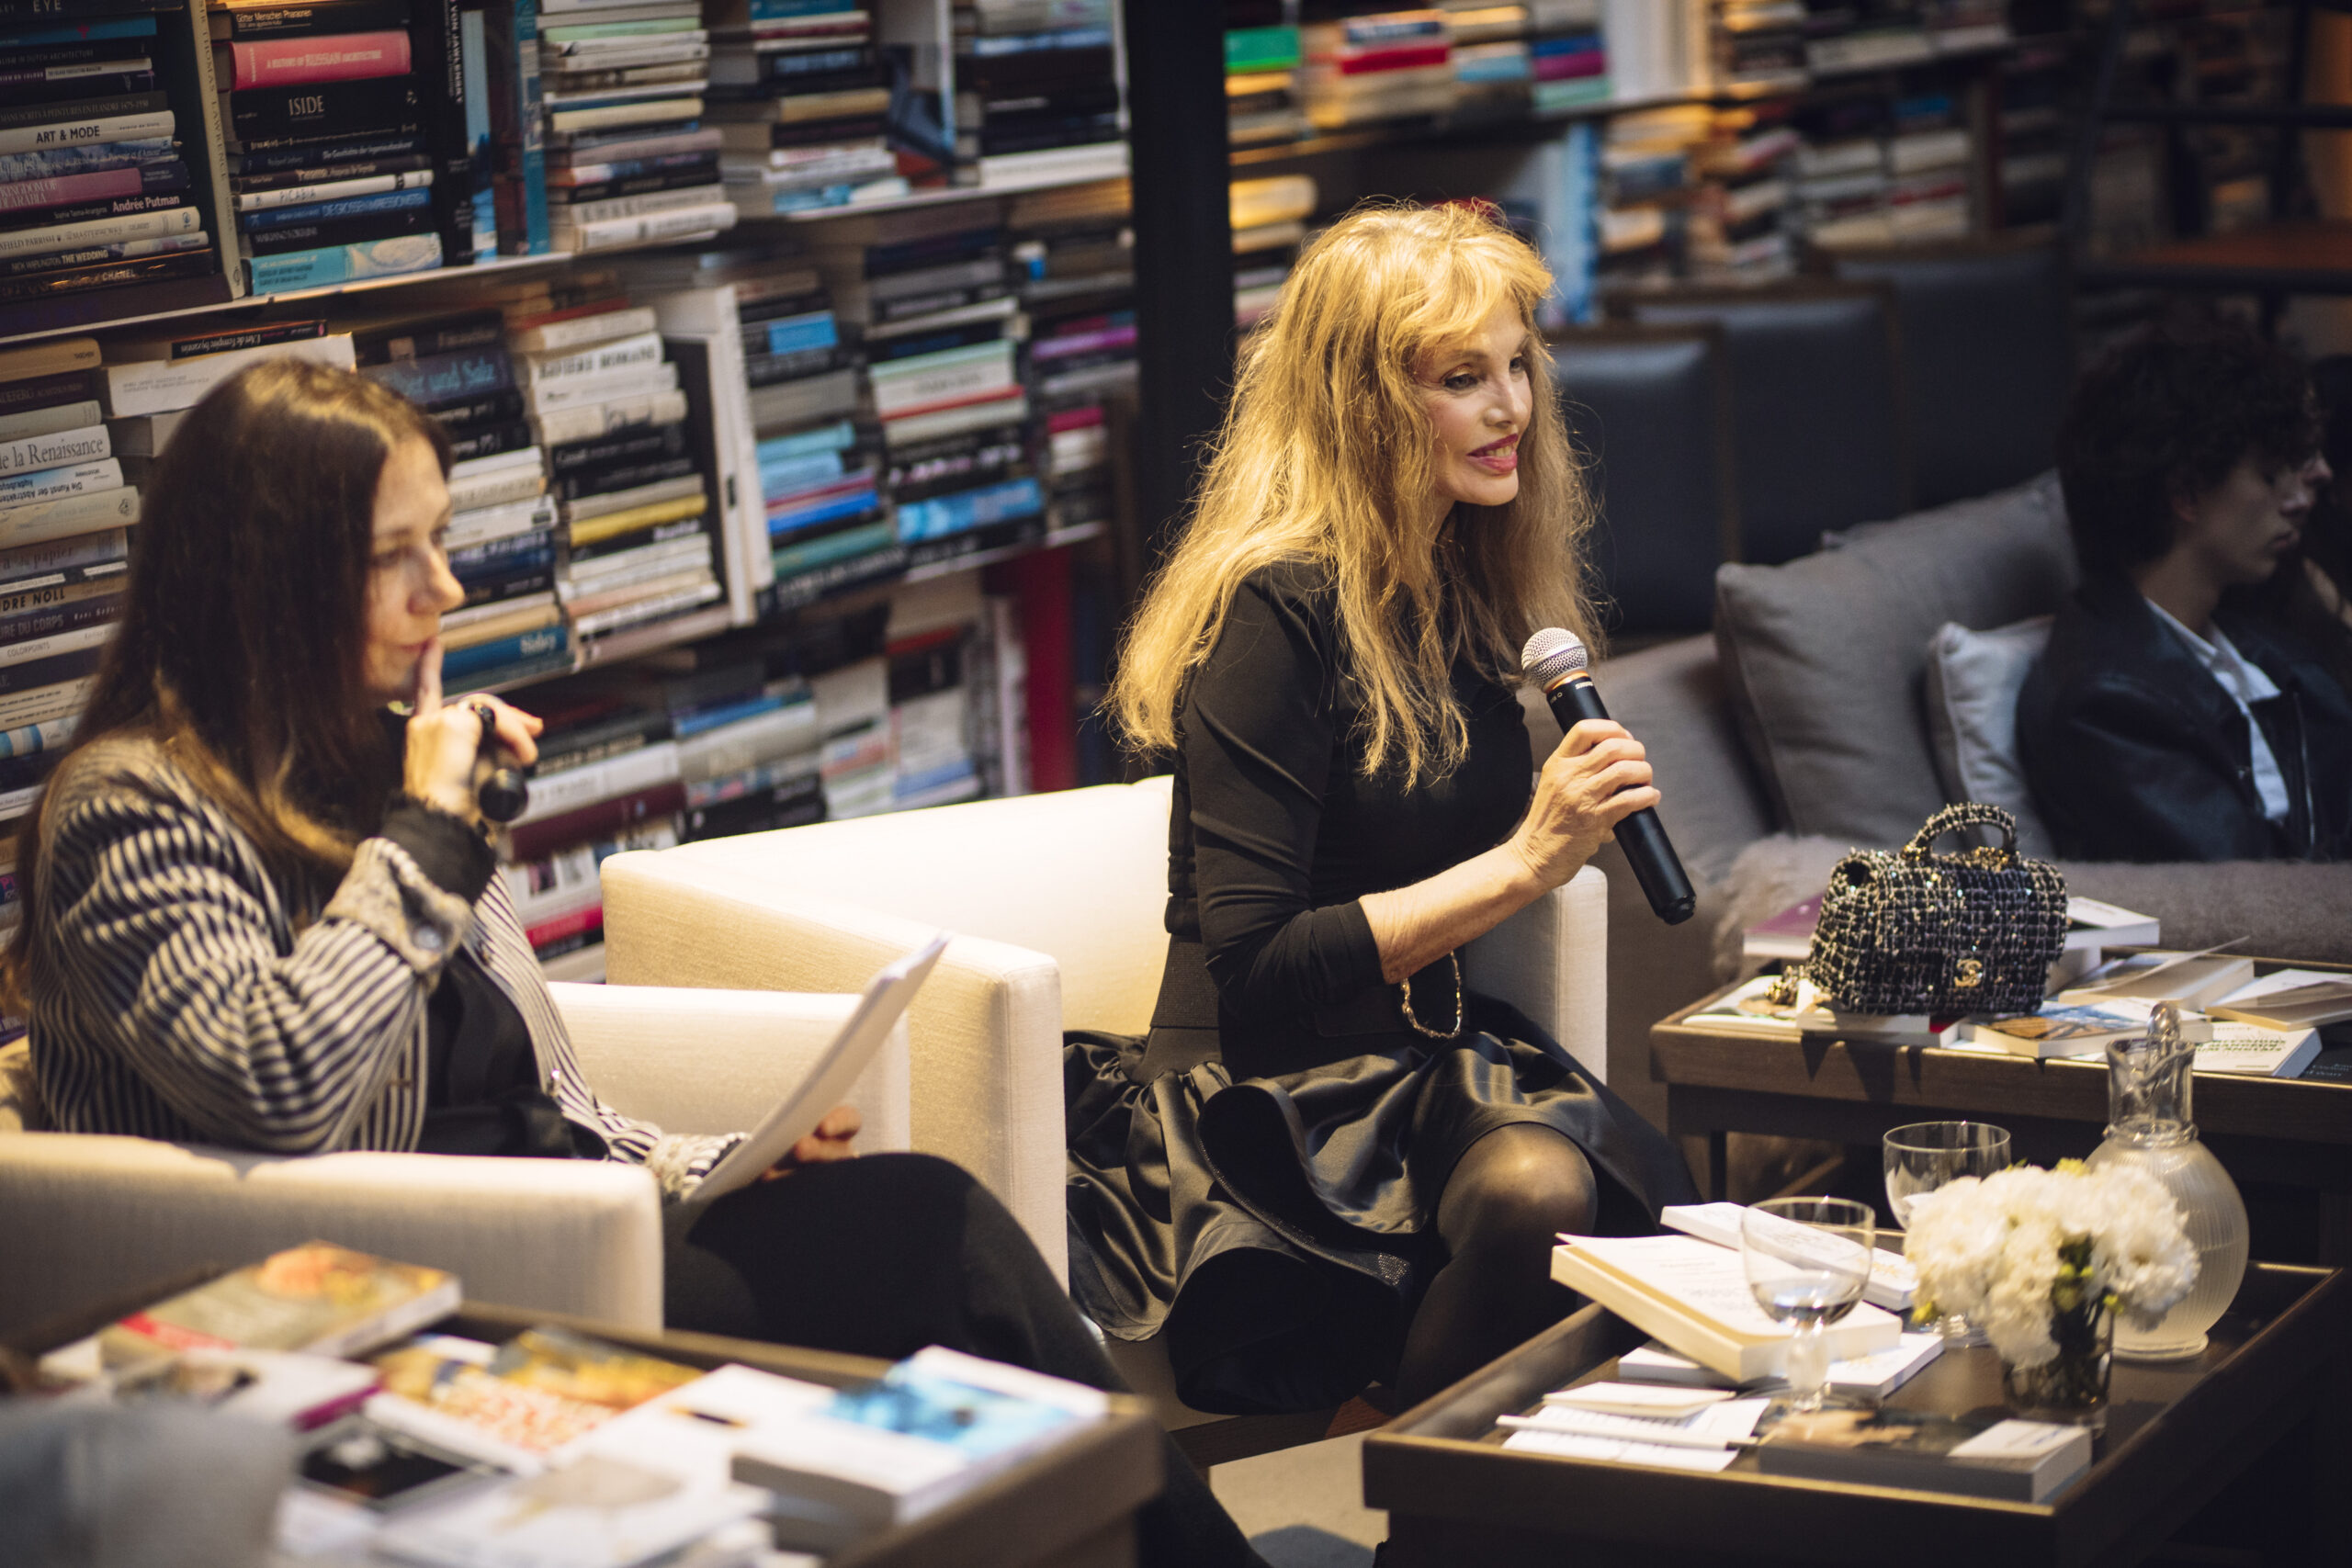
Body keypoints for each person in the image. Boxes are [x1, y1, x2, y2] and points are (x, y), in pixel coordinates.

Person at [2, 358, 1264, 1568]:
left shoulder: (386, 761)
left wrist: (714, 1160)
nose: (444, 588)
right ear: (264, 581)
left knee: (933, 1235)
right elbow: (275, 1081)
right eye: (393, 556)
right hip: (392, 1273)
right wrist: (429, 833)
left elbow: (533, 1095)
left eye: (441, 541)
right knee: (938, 1247)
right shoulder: (133, 805)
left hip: (562, 1224)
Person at [1064, 202, 1698, 1419]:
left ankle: (1433, 1474)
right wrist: (1526, 861)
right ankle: (1404, 1484)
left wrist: (1542, 850)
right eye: (1463, 378)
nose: (1511, 408)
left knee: (1572, 1197)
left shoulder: (1461, 586)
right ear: (1360, 406)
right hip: (1259, 1089)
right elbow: (1255, 961)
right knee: (1535, 1197)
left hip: (1411, 1060)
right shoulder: (1273, 610)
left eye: (1518, 365)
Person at [2018, 322, 2352, 863]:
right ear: (2188, 493)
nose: (2299, 499)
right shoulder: (2108, 703)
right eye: (2270, 475)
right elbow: (2244, 888)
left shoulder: (2260, 650)